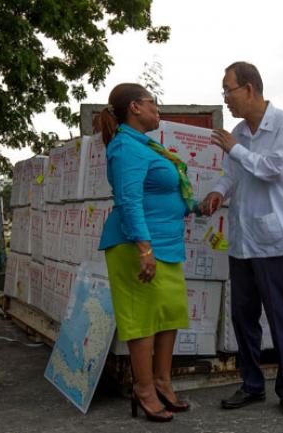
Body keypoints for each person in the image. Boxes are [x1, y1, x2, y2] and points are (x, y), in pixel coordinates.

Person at [200, 62, 283, 419]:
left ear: (249, 89)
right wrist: (218, 192)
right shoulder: (238, 131)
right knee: (243, 317)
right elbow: (231, 175)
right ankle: (251, 384)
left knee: (282, 318)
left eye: (228, 91)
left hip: (278, 240)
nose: (226, 99)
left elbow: (274, 170)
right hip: (244, 240)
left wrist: (235, 149)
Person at [96, 83, 200, 422]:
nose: (159, 110)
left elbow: (163, 191)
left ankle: (161, 381)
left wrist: (198, 205)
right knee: (142, 320)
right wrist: (144, 248)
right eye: (153, 103)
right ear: (135, 107)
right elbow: (129, 200)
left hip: (166, 245)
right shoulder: (125, 147)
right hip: (137, 246)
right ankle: (142, 388)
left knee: (169, 314)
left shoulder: (148, 146)